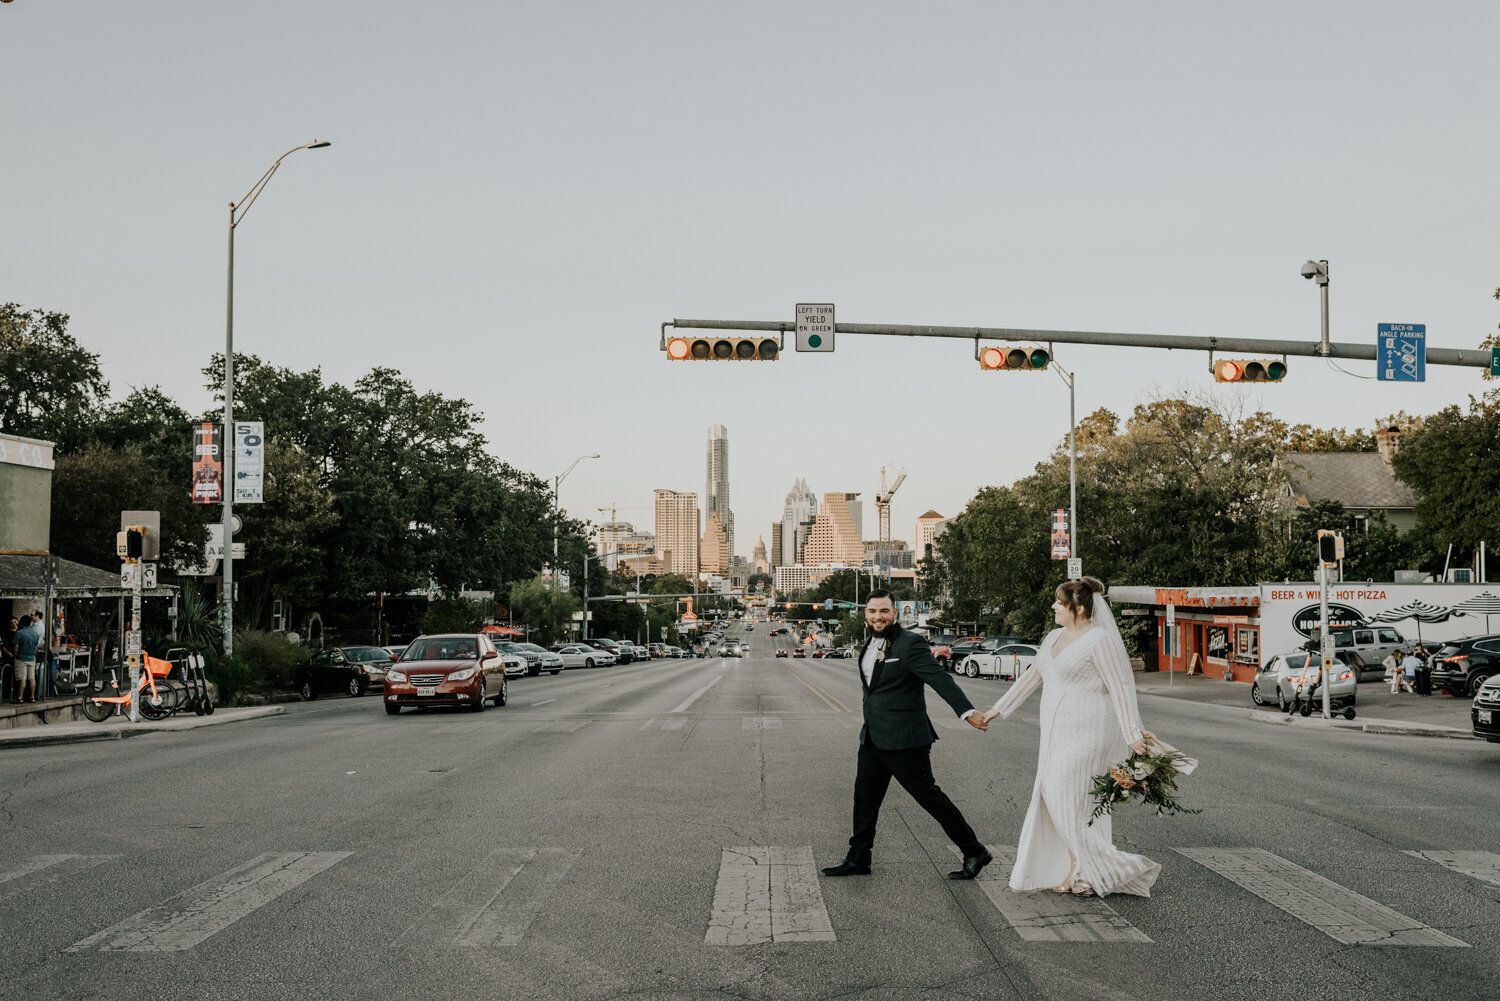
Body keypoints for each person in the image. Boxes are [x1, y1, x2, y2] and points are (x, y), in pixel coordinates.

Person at [981, 577, 1160, 897]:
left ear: (1078, 608)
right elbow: (1031, 677)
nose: (1053, 607)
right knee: (1076, 803)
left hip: (1090, 731)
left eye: (1059, 603)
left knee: (1058, 791)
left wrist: (1132, 733)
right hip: (1055, 732)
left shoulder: (1099, 640)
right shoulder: (1052, 637)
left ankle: (1105, 865)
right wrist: (997, 711)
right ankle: (1083, 871)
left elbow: (1120, 687)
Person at [821, 590, 994, 881]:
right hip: (874, 738)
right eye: (873, 611)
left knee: (929, 798)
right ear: (866, 614)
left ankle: (974, 850)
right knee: (864, 799)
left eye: (884, 611)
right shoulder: (870, 643)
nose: (878, 616)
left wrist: (966, 711)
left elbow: (939, 678)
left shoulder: (911, 644)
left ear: (895, 613)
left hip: (906, 740)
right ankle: (859, 857)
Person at [12, 614, 41, 704]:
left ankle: (20, 698)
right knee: (32, 678)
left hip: (21, 658)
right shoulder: (35, 633)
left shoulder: (19, 633)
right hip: (32, 658)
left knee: (22, 678)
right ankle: (32, 697)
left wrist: (15, 656)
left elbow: (16, 647)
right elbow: (36, 647)